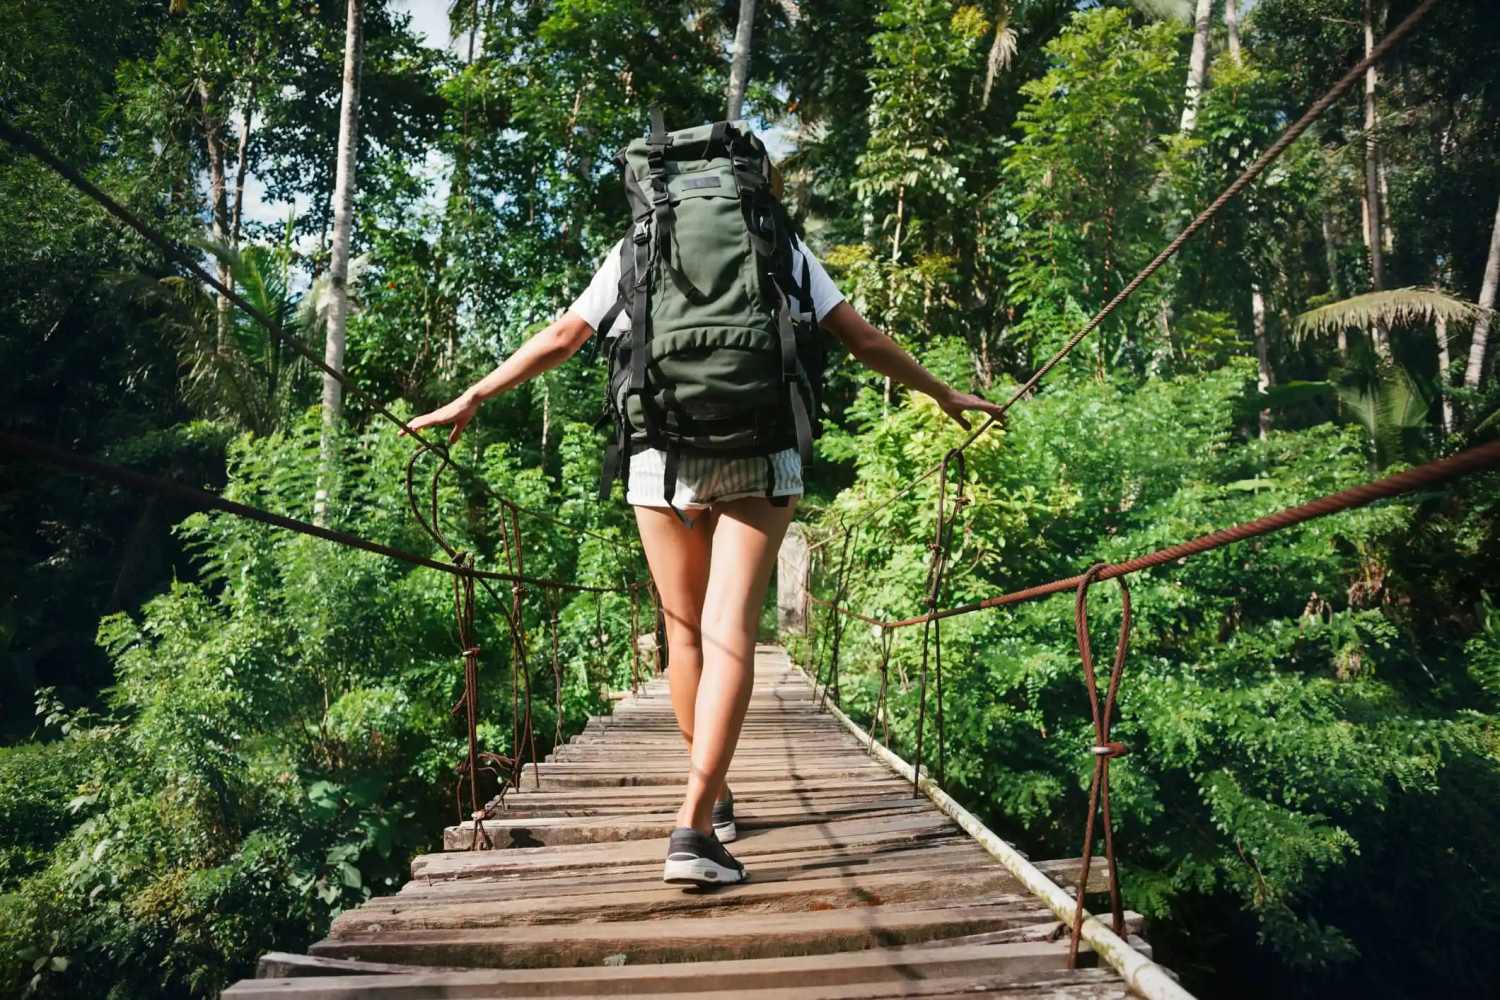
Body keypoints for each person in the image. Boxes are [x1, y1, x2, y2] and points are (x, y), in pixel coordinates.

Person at [406, 168, 1003, 887]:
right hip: (761, 450)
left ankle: (714, 797)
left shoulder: (640, 242)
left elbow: (565, 336)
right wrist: (940, 392)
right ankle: (692, 824)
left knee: (682, 633)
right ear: (753, 187)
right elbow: (862, 340)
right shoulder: (776, 242)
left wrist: (472, 395)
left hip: (659, 454)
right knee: (732, 633)